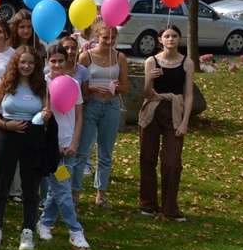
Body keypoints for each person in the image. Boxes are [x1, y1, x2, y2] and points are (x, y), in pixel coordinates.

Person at [0, 48, 52, 250]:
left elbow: (46, 111)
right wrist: (6, 125)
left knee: (31, 186)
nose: (26, 66)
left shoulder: (41, 86)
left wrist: (46, 116)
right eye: (22, 62)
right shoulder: (4, 84)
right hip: (7, 134)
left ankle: (27, 232)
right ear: (16, 63)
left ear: (36, 66)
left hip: (32, 136)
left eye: (30, 63)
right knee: (1, 184)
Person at [39, 42, 90, 249]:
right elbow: (43, 115)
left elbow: (79, 117)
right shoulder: (41, 84)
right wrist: (55, 143)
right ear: (47, 62)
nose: (57, 64)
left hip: (69, 145)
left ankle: (44, 222)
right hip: (51, 144)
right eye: (53, 61)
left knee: (59, 188)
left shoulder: (73, 83)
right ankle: (75, 230)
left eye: (61, 60)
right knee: (62, 189)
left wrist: (74, 142)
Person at [139, 26, 193, 221]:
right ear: (160, 39)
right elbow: (146, 94)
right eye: (167, 36)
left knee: (172, 163)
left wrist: (185, 122)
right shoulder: (151, 61)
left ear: (179, 39)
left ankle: (170, 207)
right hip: (152, 110)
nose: (170, 39)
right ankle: (148, 204)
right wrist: (149, 80)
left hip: (175, 112)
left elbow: (188, 93)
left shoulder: (187, 63)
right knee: (148, 157)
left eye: (174, 36)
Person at [80, 21, 129, 208]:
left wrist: (117, 87)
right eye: (105, 38)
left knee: (105, 152)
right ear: (96, 38)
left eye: (113, 38)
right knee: (83, 150)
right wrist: (92, 89)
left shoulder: (120, 57)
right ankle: (75, 192)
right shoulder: (86, 57)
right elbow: (77, 84)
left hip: (112, 105)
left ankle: (101, 193)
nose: (109, 41)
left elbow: (125, 86)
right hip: (91, 105)